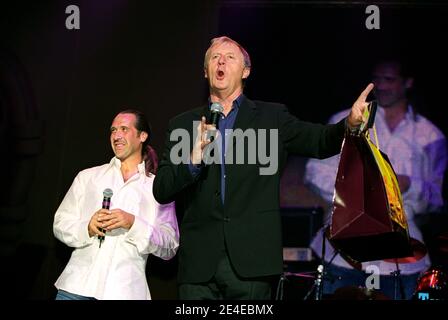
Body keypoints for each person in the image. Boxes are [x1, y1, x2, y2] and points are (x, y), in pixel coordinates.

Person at [152, 36, 374, 300]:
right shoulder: (182, 125)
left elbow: (320, 141)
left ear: (245, 71)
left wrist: (348, 124)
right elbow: (162, 189)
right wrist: (192, 160)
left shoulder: (272, 118)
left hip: (251, 265)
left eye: (230, 57)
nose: (221, 61)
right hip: (199, 268)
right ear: (205, 71)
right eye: (214, 57)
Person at [304, 58, 448, 300]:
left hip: (402, 260)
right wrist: (359, 189)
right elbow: (314, 172)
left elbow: (436, 197)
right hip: (345, 255)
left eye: (389, 79)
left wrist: (409, 185)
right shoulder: (349, 119)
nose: (381, 85)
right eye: (377, 79)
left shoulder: (430, 135)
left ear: (407, 82)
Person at [53, 109, 179, 300]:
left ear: (142, 136)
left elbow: (170, 245)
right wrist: (87, 227)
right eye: (113, 130)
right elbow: (60, 223)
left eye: (124, 129)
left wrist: (133, 223)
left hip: (125, 292)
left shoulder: (157, 188)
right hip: (76, 287)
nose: (117, 135)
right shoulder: (88, 177)